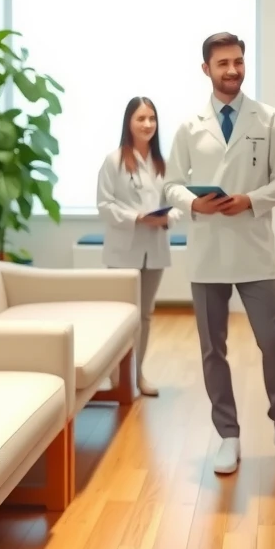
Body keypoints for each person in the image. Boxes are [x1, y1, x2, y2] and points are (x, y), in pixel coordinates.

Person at [164, 32, 275, 475]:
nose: (233, 70)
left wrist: (251, 200)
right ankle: (228, 434)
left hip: (253, 247)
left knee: (273, 343)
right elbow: (169, 184)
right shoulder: (189, 126)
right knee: (212, 350)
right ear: (206, 69)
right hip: (207, 250)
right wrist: (192, 203)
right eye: (223, 63)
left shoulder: (268, 119)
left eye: (238, 62)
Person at [96, 96, 179, 397]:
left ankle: (139, 374)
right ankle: (118, 378)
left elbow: (177, 204)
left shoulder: (163, 164)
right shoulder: (114, 160)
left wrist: (167, 219)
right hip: (124, 249)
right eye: (141, 119)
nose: (147, 124)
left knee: (145, 315)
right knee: (121, 316)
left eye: (152, 119)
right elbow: (104, 205)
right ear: (128, 123)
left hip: (155, 248)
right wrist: (137, 218)